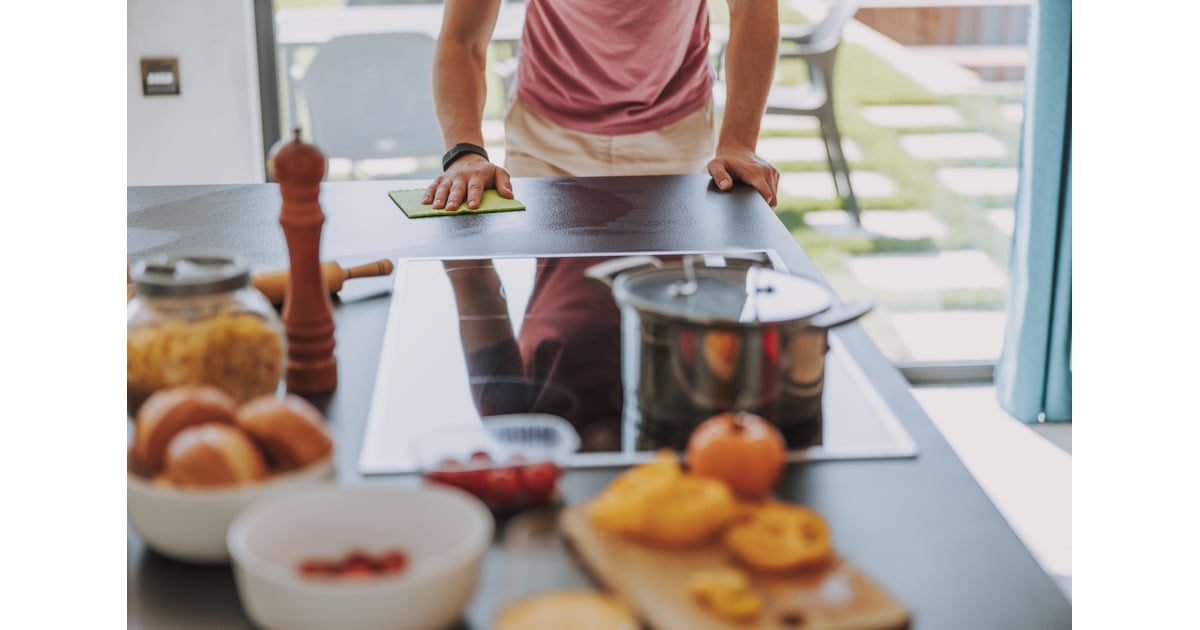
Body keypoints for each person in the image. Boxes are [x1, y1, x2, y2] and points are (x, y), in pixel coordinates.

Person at [422, 0, 781, 210]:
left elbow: (753, 9)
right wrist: (465, 153)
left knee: (671, 312)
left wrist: (738, 142)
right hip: (545, 139)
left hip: (676, 132)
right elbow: (462, 39)